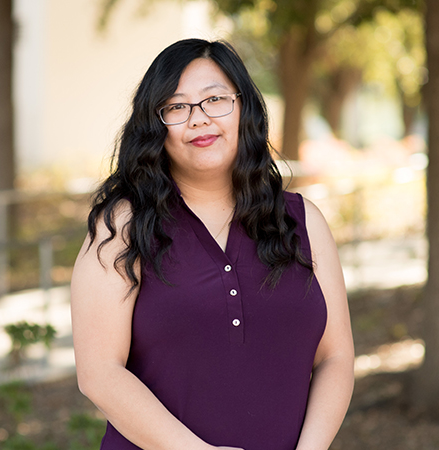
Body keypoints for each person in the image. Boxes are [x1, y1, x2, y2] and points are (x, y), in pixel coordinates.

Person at [70, 38, 355, 450]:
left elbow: (335, 358)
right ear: (156, 125)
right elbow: (98, 372)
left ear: (243, 109)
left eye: (215, 99)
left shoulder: (303, 221)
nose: (199, 119)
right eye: (176, 107)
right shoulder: (121, 227)